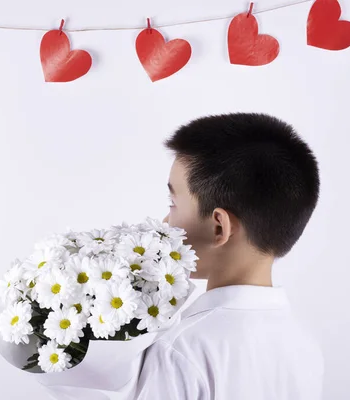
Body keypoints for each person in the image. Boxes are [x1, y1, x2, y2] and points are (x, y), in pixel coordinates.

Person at [134, 112, 324, 400]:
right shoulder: (305, 345)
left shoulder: (181, 349)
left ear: (218, 226)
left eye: (173, 203)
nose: (164, 221)